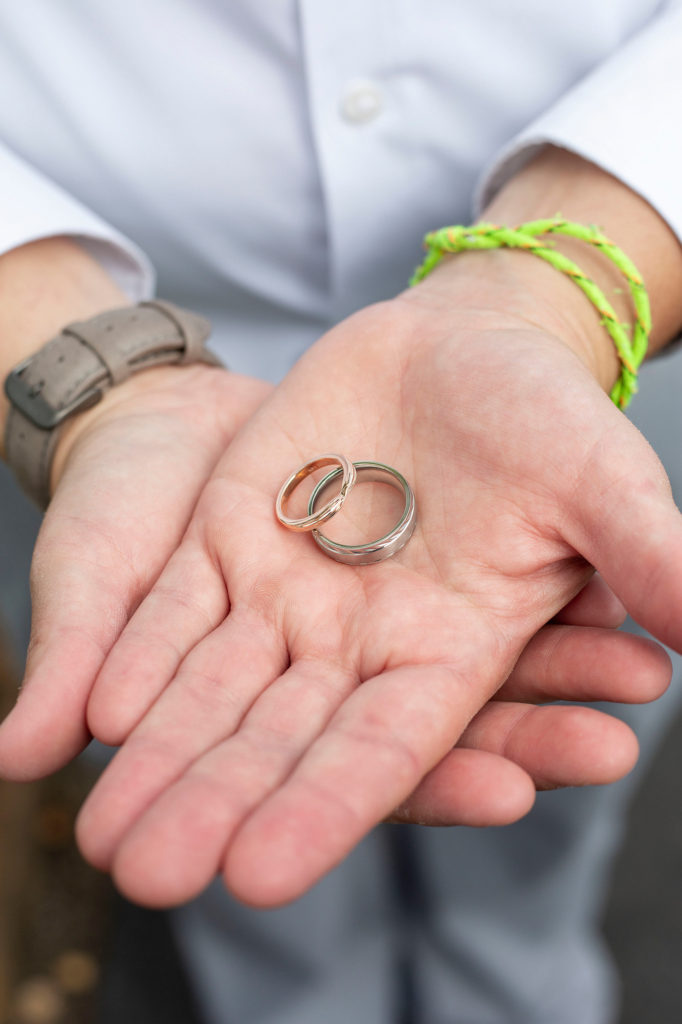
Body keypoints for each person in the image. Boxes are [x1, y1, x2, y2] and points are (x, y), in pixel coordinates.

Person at [1, 2, 682, 1020]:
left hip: (588, 362)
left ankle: (517, 984)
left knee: (547, 803)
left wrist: (555, 287)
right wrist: (62, 341)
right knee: (239, 821)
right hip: (111, 373)